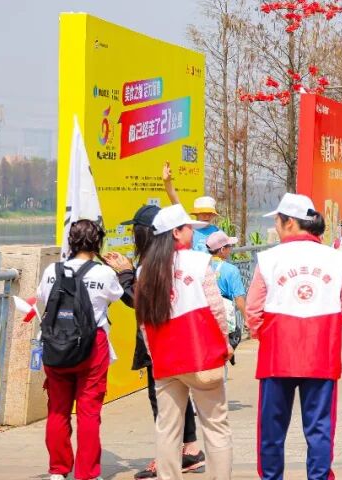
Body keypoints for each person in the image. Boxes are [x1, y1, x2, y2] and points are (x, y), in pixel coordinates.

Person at [244, 193, 342, 479]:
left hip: (276, 356)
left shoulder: (269, 259)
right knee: (320, 428)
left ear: (290, 222)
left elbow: (253, 311)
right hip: (322, 355)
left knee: (271, 429)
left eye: (278, 222)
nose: (277, 228)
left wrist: (265, 335)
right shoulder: (336, 259)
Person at [104, 204, 206, 479]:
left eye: (135, 230)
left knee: (162, 401)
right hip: (178, 339)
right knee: (178, 396)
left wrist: (125, 274)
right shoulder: (171, 258)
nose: (132, 236)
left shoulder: (153, 263)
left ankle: (169, 458)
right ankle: (190, 450)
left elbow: (141, 302)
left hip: (159, 342)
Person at [135, 204, 233, 480]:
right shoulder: (199, 262)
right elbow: (216, 309)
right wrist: (225, 343)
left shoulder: (144, 271)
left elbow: (143, 322)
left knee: (168, 428)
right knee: (216, 427)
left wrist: (154, 354)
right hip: (201, 355)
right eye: (189, 227)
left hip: (166, 360)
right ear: (176, 232)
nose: (193, 232)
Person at [39, 219, 124, 480]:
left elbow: (42, 297)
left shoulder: (52, 270)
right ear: (98, 243)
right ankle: (87, 473)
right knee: (89, 412)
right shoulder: (104, 273)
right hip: (91, 346)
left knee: (57, 409)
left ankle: (58, 470)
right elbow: (116, 295)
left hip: (56, 345)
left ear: (71, 242)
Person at [161, 161, 220, 252]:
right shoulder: (189, 229)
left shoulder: (217, 232)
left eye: (210, 213)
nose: (207, 216)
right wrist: (167, 182)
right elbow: (176, 203)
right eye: (203, 213)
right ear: (196, 214)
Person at [206, 231, 247, 334]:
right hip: (223, 316)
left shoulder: (202, 266)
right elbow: (239, 298)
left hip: (205, 316)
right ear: (222, 249)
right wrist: (247, 319)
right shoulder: (231, 270)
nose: (231, 249)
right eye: (229, 246)